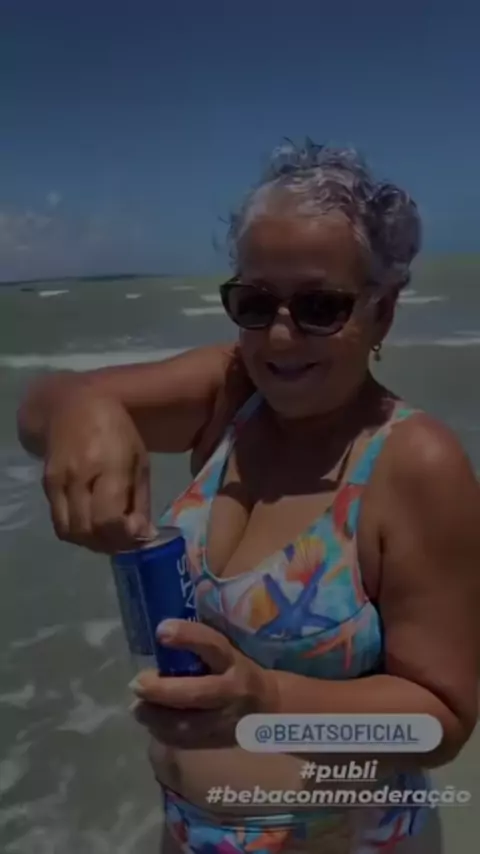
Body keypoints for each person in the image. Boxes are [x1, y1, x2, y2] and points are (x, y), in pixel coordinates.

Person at [17, 139, 480, 854]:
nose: (281, 337)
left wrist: (267, 701)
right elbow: (37, 412)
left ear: (383, 312)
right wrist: (81, 409)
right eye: (256, 303)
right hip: (189, 831)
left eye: (320, 306)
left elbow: (440, 722)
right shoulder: (231, 392)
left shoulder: (412, 462)